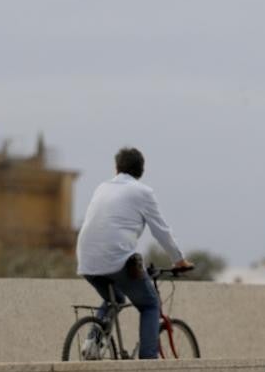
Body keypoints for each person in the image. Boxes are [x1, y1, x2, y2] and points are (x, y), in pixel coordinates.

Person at [76, 147, 193, 359]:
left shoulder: (102, 188)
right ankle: (147, 362)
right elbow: (161, 231)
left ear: (117, 168)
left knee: (115, 298)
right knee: (150, 304)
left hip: (86, 260)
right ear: (141, 170)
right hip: (117, 258)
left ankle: (93, 340)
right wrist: (179, 260)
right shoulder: (143, 192)